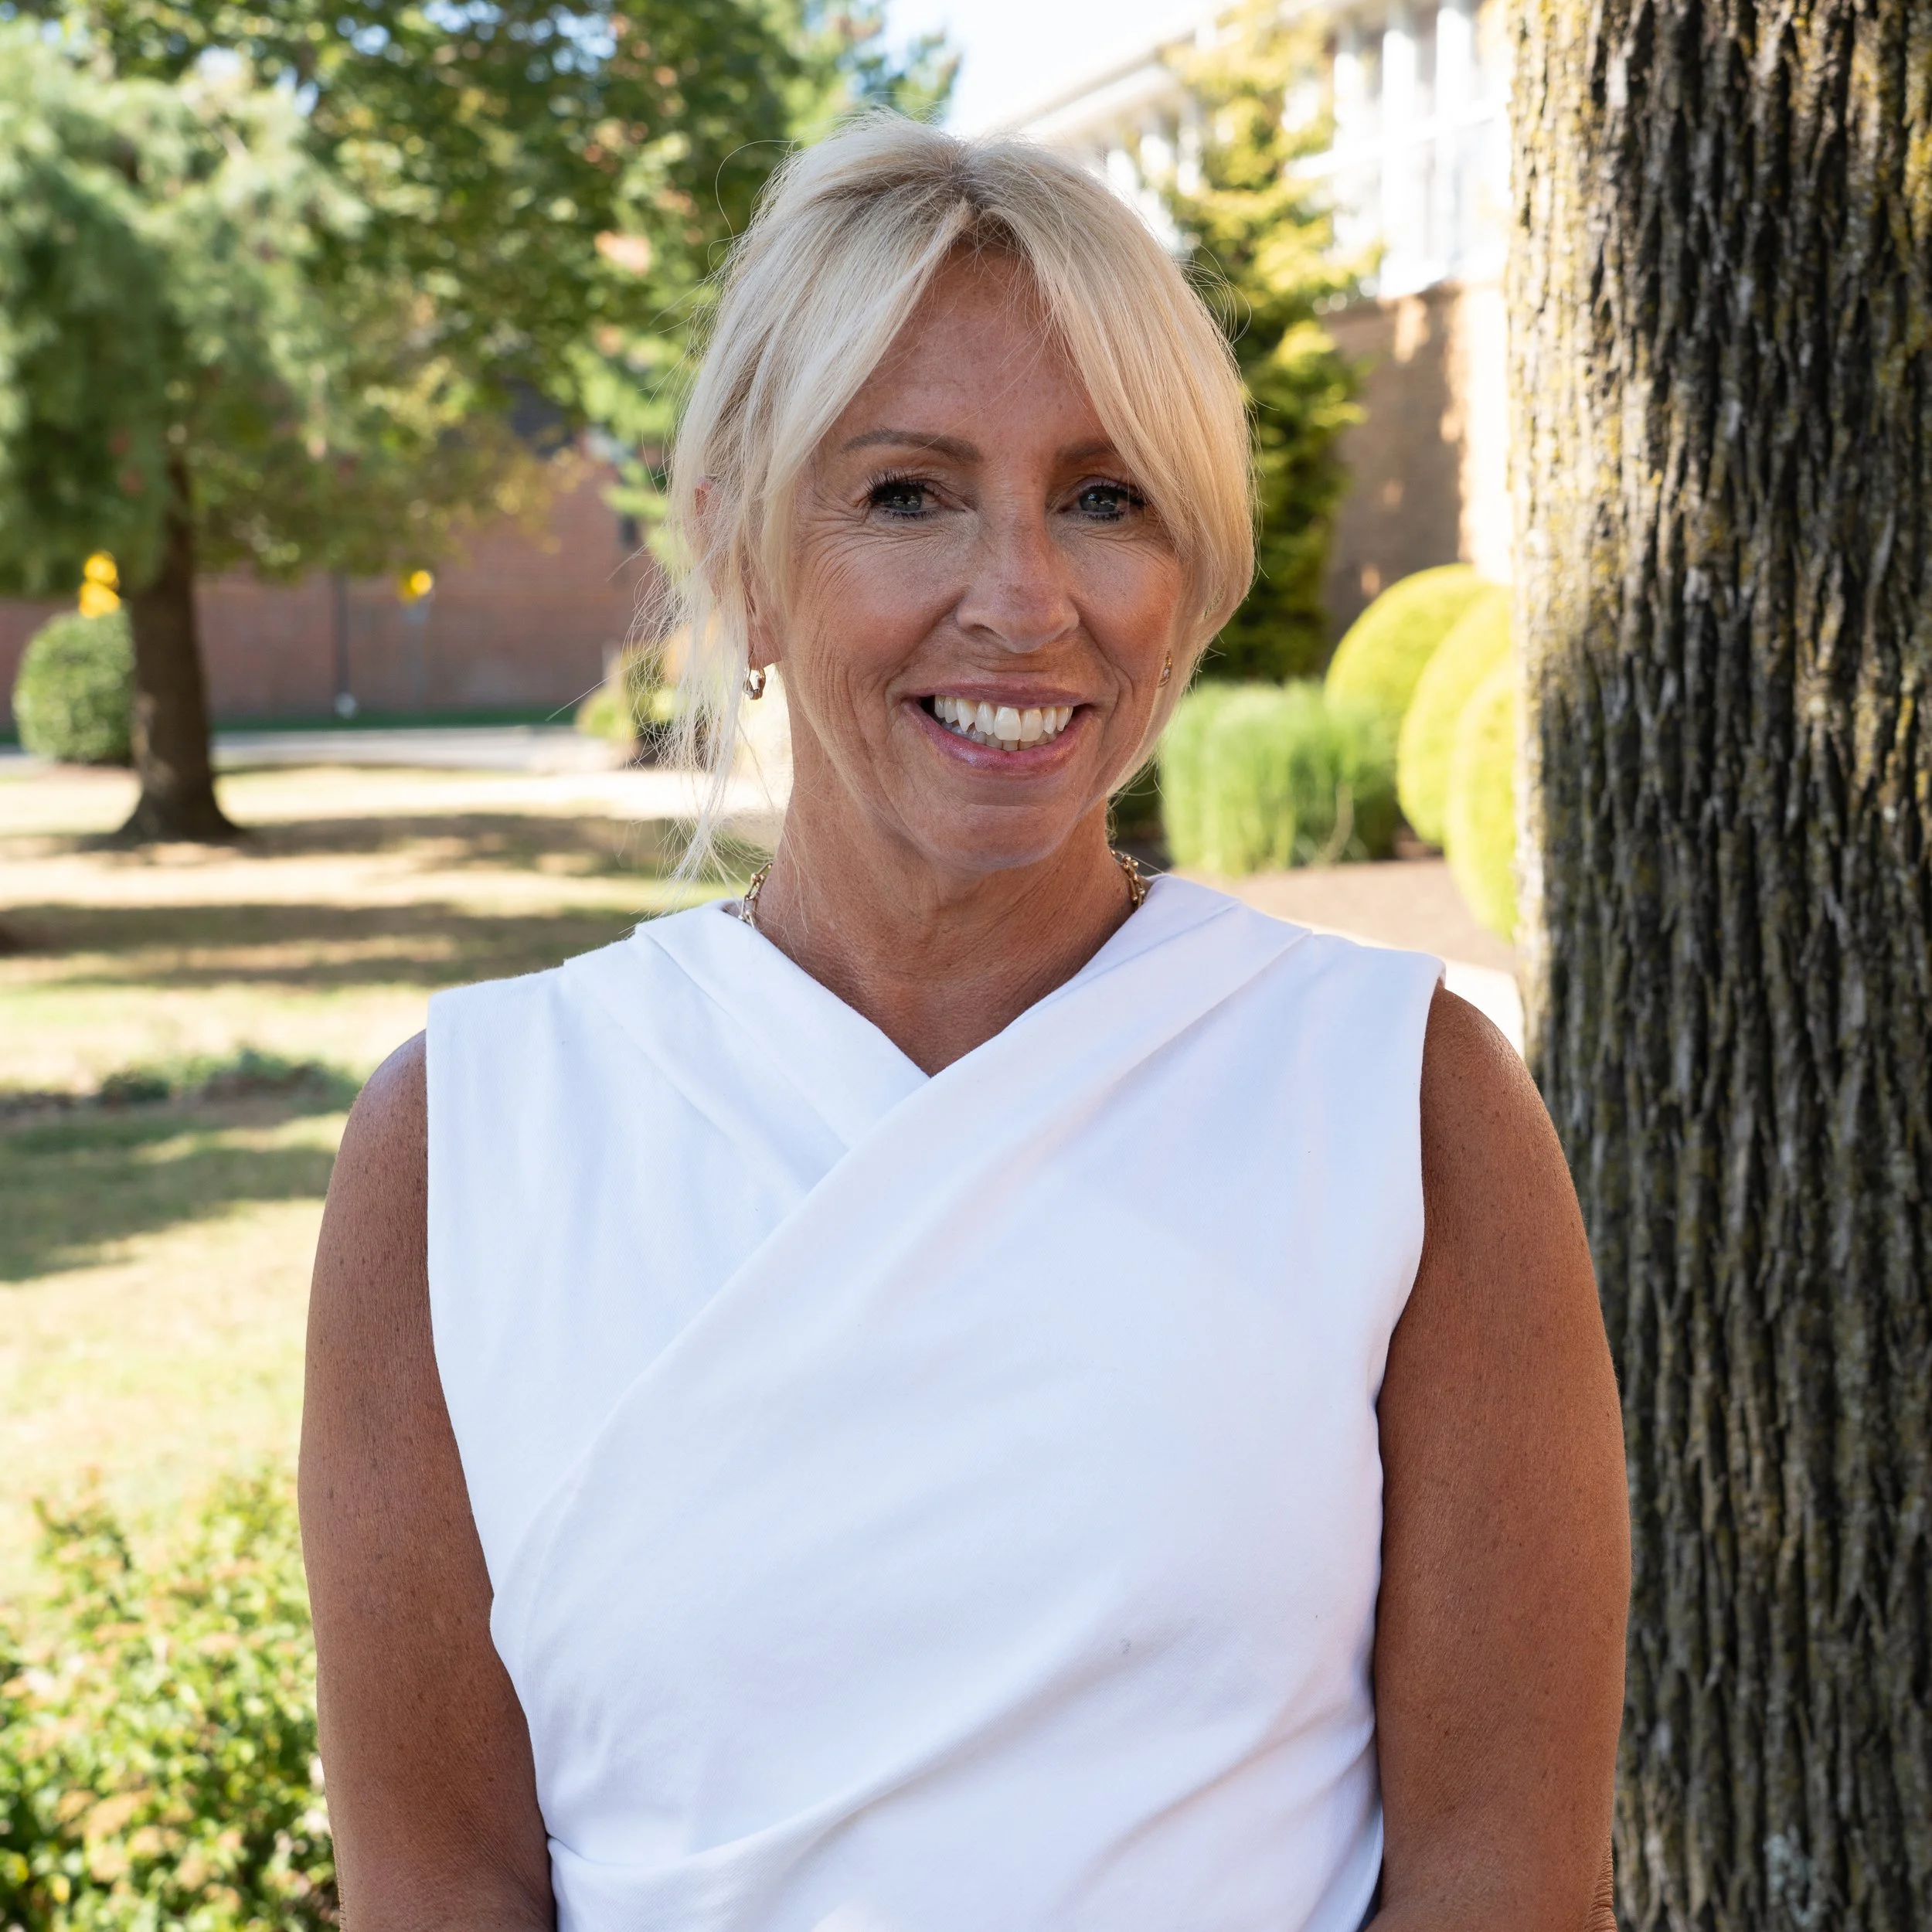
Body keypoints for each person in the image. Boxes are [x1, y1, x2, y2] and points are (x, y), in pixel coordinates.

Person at [300, 115, 1628, 1932]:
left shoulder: (1402, 1103)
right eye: (908, 494)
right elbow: (439, 1885)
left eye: (1106, 498)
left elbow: (1500, 1881)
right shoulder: (463, 1146)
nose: (1022, 600)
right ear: (742, 557)